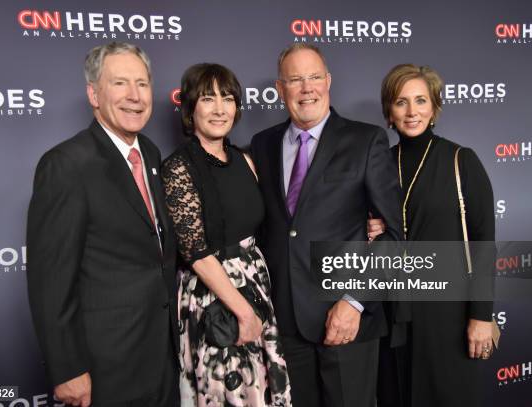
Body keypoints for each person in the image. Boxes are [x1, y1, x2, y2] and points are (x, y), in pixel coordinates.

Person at [26, 42, 179, 407]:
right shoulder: (66, 165)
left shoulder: (152, 154)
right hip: (104, 368)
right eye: (120, 84)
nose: (134, 96)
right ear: (94, 94)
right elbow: (51, 280)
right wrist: (67, 369)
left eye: (142, 84)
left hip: (161, 358)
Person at [250, 43, 402, 407]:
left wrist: (354, 303)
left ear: (328, 81)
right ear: (279, 88)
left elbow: (395, 236)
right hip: (285, 322)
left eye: (315, 77)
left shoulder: (366, 140)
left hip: (346, 319)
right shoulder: (261, 144)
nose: (307, 88)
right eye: (296, 79)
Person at [161, 63, 291, 407]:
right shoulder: (178, 168)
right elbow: (196, 253)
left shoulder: (244, 160)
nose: (220, 109)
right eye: (208, 99)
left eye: (228, 98)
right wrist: (244, 313)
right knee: (227, 392)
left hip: (255, 289)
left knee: (260, 391)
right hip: (214, 299)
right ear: (190, 108)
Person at [374, 63, 495, 406]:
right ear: (389, 111)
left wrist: (481, 316)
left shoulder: (461, 161)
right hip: (393, 311)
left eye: (421, 100)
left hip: (449, 315)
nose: (412, 112)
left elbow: (484, 244)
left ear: (434, 107)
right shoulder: (380, 163)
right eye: (401, 102)